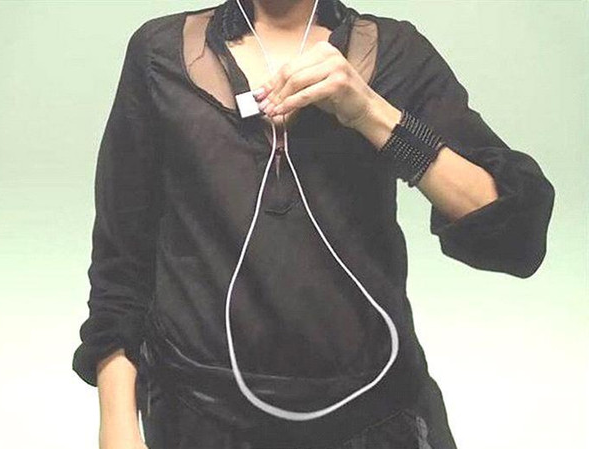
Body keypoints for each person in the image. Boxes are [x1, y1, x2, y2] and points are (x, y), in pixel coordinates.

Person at [71, 1, 556, 448]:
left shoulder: (395, 52)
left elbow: (515, 233)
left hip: (374, 416)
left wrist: (368, 111)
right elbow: (121, 258)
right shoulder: (160, 54)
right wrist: (116, 424)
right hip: (199, 418)